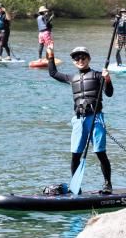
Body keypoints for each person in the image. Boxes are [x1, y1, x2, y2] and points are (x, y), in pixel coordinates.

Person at [47, 44, 114, 194]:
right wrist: (50, 54)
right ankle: (76, 186)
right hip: (78, 120)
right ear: (73, 61)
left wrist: (107, 79)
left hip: (96, 119)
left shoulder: (98, 75)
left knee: (100, 152)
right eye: (76, 58)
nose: (80, 60)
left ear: (88, 58)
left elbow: (109, 93)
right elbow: (53, 73)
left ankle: (108, 184)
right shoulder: (72, 78)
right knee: (75, 154)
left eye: (83, 57)